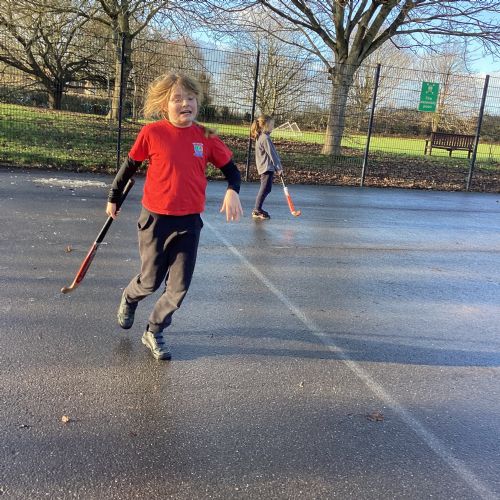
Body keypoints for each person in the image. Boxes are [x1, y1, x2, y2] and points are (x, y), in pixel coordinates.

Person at [106, 72, 243, 361]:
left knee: (179, 287)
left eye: (190, 98)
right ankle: (130, 296)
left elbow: (232, 171)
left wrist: (233, 190)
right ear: (163, 105)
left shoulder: (206, 134)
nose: (185, 104)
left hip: (189, 222)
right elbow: (129, 166)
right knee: (150, 280)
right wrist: (114, 196)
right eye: (177, 99)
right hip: (155, 220)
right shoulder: (152, 133)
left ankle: (154, 330)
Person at [251, 114, 283, 220]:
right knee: (265, 188)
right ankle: (257, 209)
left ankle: (258, 208)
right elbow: (273, 154)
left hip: (264, 167)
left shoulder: (261, 136)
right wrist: (279, 168)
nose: (273, 126)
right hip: (266, 167)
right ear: (266, 125)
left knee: (266, 188)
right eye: (272, 124)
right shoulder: (265, 138)